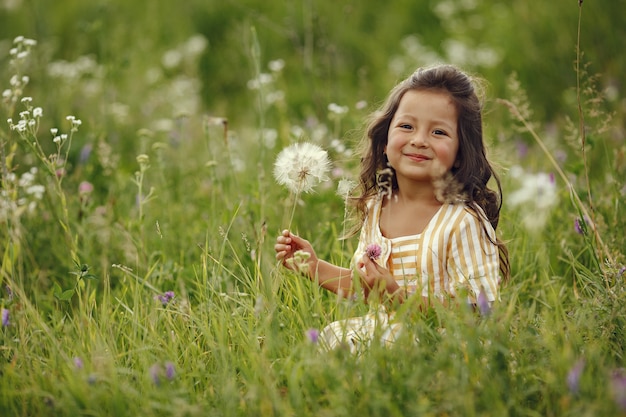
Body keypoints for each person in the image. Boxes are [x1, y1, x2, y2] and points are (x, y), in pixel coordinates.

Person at [274, 64, 510, 353]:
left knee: (375, 346)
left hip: (445, 347)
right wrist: (313, 266)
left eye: (438, 132)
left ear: (461, 153)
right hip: (386, 333)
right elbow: (367, 288)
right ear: (385, 141)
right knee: (331, 338)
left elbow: (477, 309)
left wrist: (396, 294)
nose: (419, 140)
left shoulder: (462, 221)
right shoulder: (377, 208)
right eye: (407, 126)